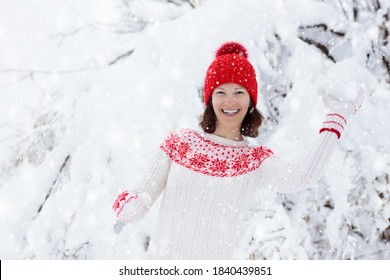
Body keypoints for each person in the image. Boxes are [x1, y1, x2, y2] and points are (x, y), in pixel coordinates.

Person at [112, 42, 364, 259]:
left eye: (239, 92)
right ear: (210, 98)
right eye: (220, 92)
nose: (229, 101)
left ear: (250, 101)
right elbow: (144, 193)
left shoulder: (254, 161)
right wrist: (131, 205)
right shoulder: (180, 143)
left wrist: (336, 118)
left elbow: (303, 177)